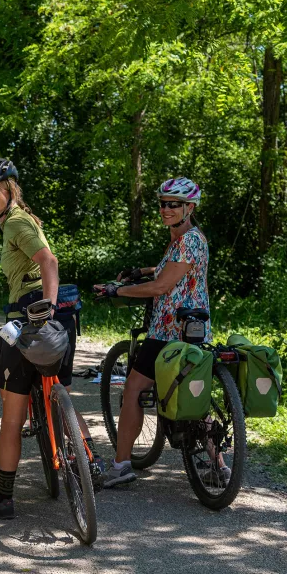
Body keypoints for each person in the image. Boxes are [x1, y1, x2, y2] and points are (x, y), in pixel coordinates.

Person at [0, 158, 101, 520]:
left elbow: (49, 261)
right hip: (58, 320)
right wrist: (54, 312)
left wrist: (46, 309)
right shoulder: (23, 220)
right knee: (61, 391)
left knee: (12, 416)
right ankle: (91, 461)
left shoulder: (15, 221)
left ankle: (5, 497)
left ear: (10, 189)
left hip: (30, 317)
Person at [94, 176, 216, 488]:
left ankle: (121, 465)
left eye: (173, 204)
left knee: (133, 389)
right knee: (193, 397)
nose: (165, 209)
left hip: (168, 331)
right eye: (162, 203)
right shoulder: (188, 239)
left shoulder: (187, 241)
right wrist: (143, 271)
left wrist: (118, 290)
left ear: (190, 208)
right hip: (195, 329)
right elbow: (174, 269)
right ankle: (220, 466)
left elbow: (162, 286)